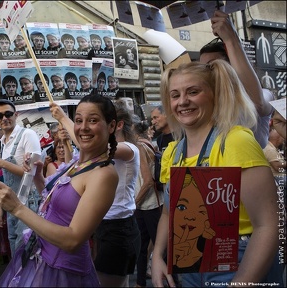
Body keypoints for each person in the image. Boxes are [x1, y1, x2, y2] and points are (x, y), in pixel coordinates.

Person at [151, 61, 279, 287]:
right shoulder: (173, 152)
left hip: (235, 265)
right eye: (175, 95)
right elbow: (167, 214)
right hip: (188, 265)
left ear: (215, 95)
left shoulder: (235, 141)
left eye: (193, 91)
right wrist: (158, 256)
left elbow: (268, 225)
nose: (183, 102)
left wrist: (241, 283)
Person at [0, 95, 119, 286]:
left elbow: (73, 240)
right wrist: (38, 178)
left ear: (111, 126)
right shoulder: (78, 163)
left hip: (63, 272)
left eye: (93, 120)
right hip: (39, 258)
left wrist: (18, 208)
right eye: (78, 120)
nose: (83, 127)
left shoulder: (103, 174)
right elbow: (56, 201)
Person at [199, 10, 273, 149]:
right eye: (202, 68)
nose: (207, 72)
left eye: (214, 65)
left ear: (232, 65)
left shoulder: (264, 94)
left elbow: (257, 104)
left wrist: (231, 39)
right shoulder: (209, 103)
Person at [92, 100, 141, 287]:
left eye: (98, 122)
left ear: (117, 125)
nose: (93, 128)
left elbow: (99, 148)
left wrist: (64, 118)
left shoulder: (130, 149)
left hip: (119, 229)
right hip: (105, 226)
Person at [0, 99, 42, 256]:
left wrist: (2, 163)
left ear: (16, 115)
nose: (4, 118)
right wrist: (1, 208)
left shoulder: (28, 134)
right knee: (15, 253)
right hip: (12, 205)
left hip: (29, 203)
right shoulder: (3, 143)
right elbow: (8, 181)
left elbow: (33, 173)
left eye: (8, 113)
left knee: (27, 253)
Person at [132, 118, 164, 288]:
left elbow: (147, 182)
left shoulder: (139, 146)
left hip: (150, 204)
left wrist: (134, 204)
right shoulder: (149, 143)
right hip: (150, 204)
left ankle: (145, 282)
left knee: (153, 246)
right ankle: (141, 282)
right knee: (144, 245)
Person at [263, 121, 286, 187]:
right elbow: (277, 166)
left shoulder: (272, 147)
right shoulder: (270, 149)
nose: (283, 140)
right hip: (277, 178)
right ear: (278, 138)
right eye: (282, 138)